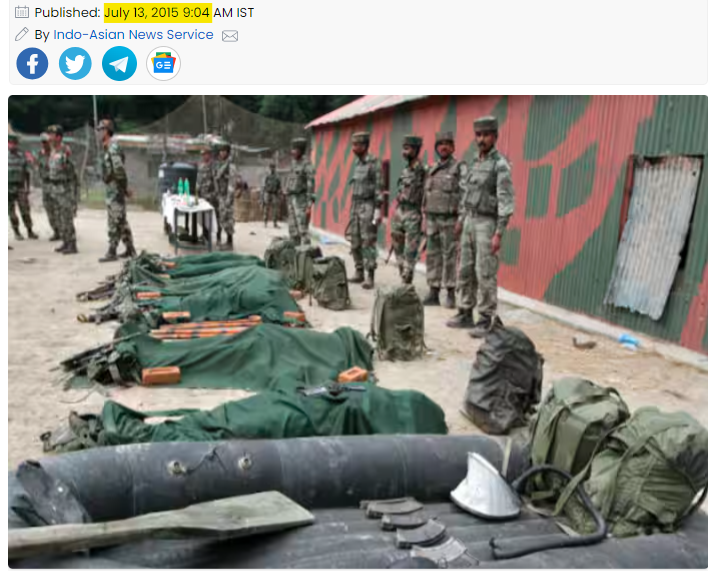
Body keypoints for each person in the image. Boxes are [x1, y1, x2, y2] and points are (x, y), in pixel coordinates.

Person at [447, 116, 515, 338]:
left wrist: (499, 233)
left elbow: (505, 201)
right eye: (478, 135)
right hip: (469, 220)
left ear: (495, 136)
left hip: (487, 223)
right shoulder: (475, 162)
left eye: (486, 135)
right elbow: (467, 194)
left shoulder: (500, 165)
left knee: (485, 272)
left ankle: (486, 319)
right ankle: (465, 312)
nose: (481, 139)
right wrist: (461, 220)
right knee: (465, 269)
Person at [423, 131, 468, 308]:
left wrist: (461, 220)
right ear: (436, 148)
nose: (444, 147)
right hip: (432, 219)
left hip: (450, 220)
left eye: (448, 144)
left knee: (450, 256)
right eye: (440, 144)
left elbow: (465, 194)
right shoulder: (432, 169)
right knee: (432, 256)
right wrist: (424, 218)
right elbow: (426, 194)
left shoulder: (459, 168)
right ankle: (433, 292)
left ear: (453, 147)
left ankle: (450, 293)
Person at [347, 132, 384, 290]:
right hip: (355, 205)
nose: (353, 148)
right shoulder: (358, 164)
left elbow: (379, 187)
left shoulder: (374, 163)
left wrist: (378, 210)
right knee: (355, 240)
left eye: (356, 145)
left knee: (368, 241)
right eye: (353, 144)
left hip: (368, 206)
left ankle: (370, 276)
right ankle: (359, 271)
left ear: (364, 146)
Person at [97, 119, 136, 262]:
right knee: (121, 220)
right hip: (113, 189)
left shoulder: (113, 148)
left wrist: (124, 189)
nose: (98, 132)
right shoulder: (107, 147)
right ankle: (130, 249)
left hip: (115, 190)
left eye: (101, 130)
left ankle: (112, 251)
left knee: (115, 220)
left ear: (107, 131)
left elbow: (119, 171)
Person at [391, 135, 426, 285]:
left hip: (413, 213)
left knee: (410, 251)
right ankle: (403, 277)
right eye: (403, 149)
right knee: (397, 246)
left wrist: (425, 217)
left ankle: (407, 280)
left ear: (416, 149)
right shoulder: (405, 170)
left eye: (407, 149)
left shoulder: (422, 171)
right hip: (400, 211)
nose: (404, 152)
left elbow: (427, 194)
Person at [46, 125, 78, 254]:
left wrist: (73, 192)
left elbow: (72, 172)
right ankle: (65, 241)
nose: (49, 137)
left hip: (64, 189)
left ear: (59, 137)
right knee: (59, 217)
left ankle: (72, 244)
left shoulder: (65, 150)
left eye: (52, 135)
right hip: (55, 188)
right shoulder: (53, 151)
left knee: (67, 217)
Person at [284, 138, 315, 246]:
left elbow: (311, 185)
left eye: (295, 149)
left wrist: (309, 205)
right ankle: (295, 252)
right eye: (292, 149)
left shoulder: (307, 165)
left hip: (301, 201)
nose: (292, 152)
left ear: (301, 150)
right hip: (291, 199)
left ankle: (306, 252)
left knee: (303, 230)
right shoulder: (293, 163)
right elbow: (290, 179)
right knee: (293, 230)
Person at [8, 133, 38, 241]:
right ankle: (17, 232)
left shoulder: (22, 156)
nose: (11, 145)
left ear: (17, 144)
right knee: (11, 212)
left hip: (20, 186)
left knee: (25, 210)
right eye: (9, 143)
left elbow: (27, 173)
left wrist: (27, 187)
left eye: (14, 143)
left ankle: (30, 231)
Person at [37, 132, 62, 241]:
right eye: (42, 142)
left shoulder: (56, 153)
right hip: (45, 185)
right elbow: (39, 167)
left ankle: (64, 231)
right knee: (49, 209)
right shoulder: (40, 154)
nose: (44, 144)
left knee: (59, 209)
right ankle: (56, 231)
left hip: (55, 184)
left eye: (46, 142)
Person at [214, 142, 238, 250]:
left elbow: (232, 182)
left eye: (224, 151)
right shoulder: (221, 164)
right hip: (221, 195)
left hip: (227, 196)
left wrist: (229, 198)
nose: (222, 153)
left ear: (228, 152)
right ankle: (221, 240)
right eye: (221, 151)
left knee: (228, 219)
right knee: (221, 218)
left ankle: (229, 242)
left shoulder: (230, 165)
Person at [196, 144, 219, 242]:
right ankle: (204, 234)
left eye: (205, 154)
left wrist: (215, 194)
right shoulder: (201, 166)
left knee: (212, 216)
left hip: (211, 195)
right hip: (202, 195)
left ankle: (212, 236)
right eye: (203, 154)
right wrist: (197, 190)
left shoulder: (214, 166)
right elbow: (198, 180)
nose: (204, 156)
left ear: (209, 154)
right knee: (203, 216)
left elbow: (216, 180)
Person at [262, 163, 282, 228]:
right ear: (269, 168)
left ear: (275, 168)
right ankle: (265, 222)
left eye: (273, 167)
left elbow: (279, 186)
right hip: (268, 193)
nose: (272, 169)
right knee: (266, 209)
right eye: (271, 168)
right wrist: (263, 195)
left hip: (274, 194)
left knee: (275, 209)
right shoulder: (267, 176)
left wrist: (279, 192)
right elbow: (264, 185)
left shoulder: (277, 177)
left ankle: (275, 223)